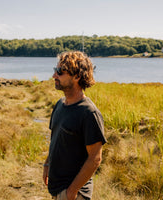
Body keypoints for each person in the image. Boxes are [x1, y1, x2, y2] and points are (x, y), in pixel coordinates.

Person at [43, 51, 107, 200]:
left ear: (77, 76)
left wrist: (72, 191)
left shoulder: (89, 113)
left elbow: (95, 158)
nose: (54, 76)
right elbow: (56, 140)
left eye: (60, 72)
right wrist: (47, 165)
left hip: (74, 194)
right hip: (58, 189)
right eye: (55, 70)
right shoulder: (60, 104)